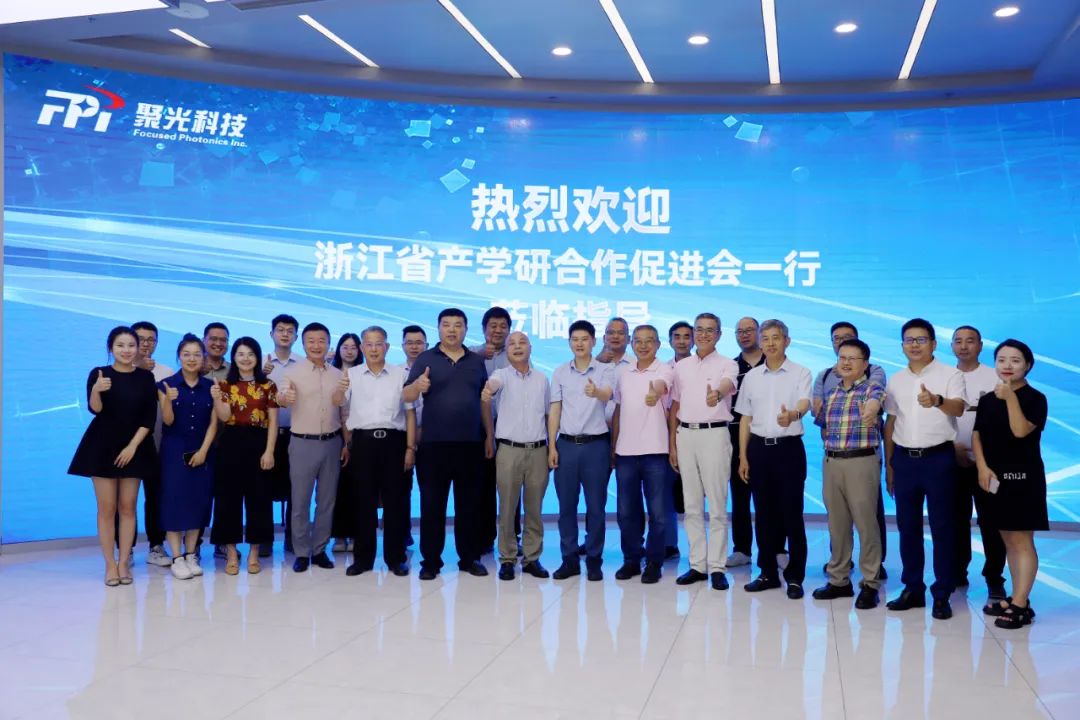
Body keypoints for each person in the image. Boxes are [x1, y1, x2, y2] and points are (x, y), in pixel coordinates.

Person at [883, 318, 965, 620]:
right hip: (904, 460)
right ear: (902, 345)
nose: (914, 345)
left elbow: (958, 408)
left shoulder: (950, 374)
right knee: (908, 527)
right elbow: (891, 423)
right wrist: (890, 465)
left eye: (920, 339)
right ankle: (913, 588)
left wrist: (937, 400)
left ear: (933, 343)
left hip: (939, 459)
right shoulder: (896, 379)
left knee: (943, 527)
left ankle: (942, 592)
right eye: (909, 340)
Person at [404, 309, 492, 580]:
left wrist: (489, 435)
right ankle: (431, 561)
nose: (452, 330)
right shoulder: (425, 359)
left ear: (465, 329)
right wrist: (418, 386)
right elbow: (406, 395)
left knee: (469, 506)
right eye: (447, 325)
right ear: (439, 328)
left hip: (470, 444)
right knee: (432, 506)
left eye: (458, 325)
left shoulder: (476, 361)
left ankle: (469, 558)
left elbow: (483, 400)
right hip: (434, 446)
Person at [68, 326, 158, 586]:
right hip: (102, 446)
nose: (126, 350)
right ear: (111, 348)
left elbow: (148, 418)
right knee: (106, 509)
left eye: (131, 345)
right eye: (120, 345)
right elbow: (95, 409)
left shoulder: (145, 377)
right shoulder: (99, 373)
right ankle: (110, 564)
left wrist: (132, 447)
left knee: (128, 507)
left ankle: (124, 562)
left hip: (135, 447)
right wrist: (96, 390)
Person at [973, 339, 1048, 629]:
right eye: (1001, 360)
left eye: (1015, 360)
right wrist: (982, 467)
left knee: (1021, 540)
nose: (1007, 365)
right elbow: (977, 434)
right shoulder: (988, 399)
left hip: (1023, 478)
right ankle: (1020, 598)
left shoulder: (1035, 398)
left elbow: (1020, 431)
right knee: (1007, 539)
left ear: (1027, 365)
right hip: (994, 478)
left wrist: (1010, 398)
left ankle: (1019, 603)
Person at [737, 319, 813, 599]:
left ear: (787, 341)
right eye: (765, 338)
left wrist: (793, 414)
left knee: (792, 514)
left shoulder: (801, 372)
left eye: (776, 338)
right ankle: (767, 572)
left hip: (788, 449)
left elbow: (804, 403)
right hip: (759, 450)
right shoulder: (752, 377)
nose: (770, 343)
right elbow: (745, 418)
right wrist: (743, 456)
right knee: (763, 515)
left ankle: (795, 577)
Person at [336, 326, 416, 577]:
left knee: (396, 503)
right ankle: (362, 559)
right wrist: (339, 389)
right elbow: (338, 404)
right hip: (363, 443)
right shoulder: (352, 374)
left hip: (394, 442)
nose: (373, 349)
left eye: (378, 344)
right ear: (362, 348)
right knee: (363, 502)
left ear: (387, 347)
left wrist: (410, 448)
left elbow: (410, 414)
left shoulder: (400, 374)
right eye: (368, 344)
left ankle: (396, 558)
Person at [811, 322, 888, 580]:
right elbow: (822, 424)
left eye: (852, 359)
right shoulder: (832, 392)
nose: (845, 363)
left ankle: (870, 581)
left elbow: (877, 400)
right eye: (842, 358)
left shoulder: (872, 388)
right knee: (837, 524)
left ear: (865, 364)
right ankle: (838, 578)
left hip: (861, 462)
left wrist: (871, 410)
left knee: (866, 524)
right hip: (832, 462)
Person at [669, 313, 739, 590]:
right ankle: (697, 565)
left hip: (714, 434)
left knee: (718, 505)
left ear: (719, 334)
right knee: (692, 505)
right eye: (699, 329)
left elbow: (727, 384)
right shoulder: (681, 366)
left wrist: (717, 394)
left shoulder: (728, 363)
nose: (703, 334)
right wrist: (672, 444)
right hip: (685, 435)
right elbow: (675, 404)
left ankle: (717, 567)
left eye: (710, 330)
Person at [548, 320, 616, 581]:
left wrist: (595, 391)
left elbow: (607, 394)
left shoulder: (605, 370)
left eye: (584, 339)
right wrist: (551, 445)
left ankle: (595, 560)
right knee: (566, 506)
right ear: (569, 343)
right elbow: (555, 410)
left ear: (594, 342)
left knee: (596, 507)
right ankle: (569, 560)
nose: (579, 343)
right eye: (575, 339)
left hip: (596, 446)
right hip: (566, 445)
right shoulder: (560, 372)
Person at [481, 331, 551, 581]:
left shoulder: (542, 379)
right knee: (507, 507)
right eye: (512, 343)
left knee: (534, 508)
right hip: (509, 450)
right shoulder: (501, 375)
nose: (517, 347)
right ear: (507, 351)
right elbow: (492, 386)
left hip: (538, 450)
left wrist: (551, 447)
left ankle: (532, 558)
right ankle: (508, 558)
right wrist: (488, 389)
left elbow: (547, 415)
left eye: (522, 343)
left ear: (531, 348)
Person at [278, 322, 347, 573]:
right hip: (302, 443)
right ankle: (301, 552)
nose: (317, 345)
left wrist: (346, 443)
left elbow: (343, 411)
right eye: (311, 341)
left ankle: (319, 550)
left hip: (332, 442)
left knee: (326, 501)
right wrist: (285, 398)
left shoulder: (338, 374)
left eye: (321, 341)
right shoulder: (292, 373)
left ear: (328, 343)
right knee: (300, 501)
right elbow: (281, 397)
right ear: (303, 343)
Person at [209, 337, 279, 575]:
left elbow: (273, 422)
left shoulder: (268, 385)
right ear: (234, 357)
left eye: (250, 354)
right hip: (230, 442)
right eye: (240, 354)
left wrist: (269, 451)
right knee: (227, 500)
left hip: (259, 442)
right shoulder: (224, 385)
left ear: (257, 357)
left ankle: (254, 554)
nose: (245, 358)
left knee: (259, 499)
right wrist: (217, 398)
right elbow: (223, 416)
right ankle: (230, 554)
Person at [612, 325, 674, 584]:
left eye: (649, 341)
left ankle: (654, 562)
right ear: (631, 344)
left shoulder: (665, 369)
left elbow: (660, 386)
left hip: (655, 451)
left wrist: (654, 393)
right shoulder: (622, 372)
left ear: (658, 344)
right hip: (625, 452)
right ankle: (631, 560)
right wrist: (613, 446)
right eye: (638, 341)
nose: (643, 345)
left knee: (657, 513)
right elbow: (618, 409)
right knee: (626, 512)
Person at [951, 325, 1007, 607]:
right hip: (952, 460)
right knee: (955, 520)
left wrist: (981, 454)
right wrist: (953, 447)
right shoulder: (945, 377)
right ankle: (957, 572)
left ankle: (994, 578)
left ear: (980, 345)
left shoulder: (995, 376)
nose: (964, 346)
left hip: (988, 464)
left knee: (992, 522)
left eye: (970, 341)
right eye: (958, 341)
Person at [158, 334, 219, 580]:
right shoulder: (166, 385)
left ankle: (191, 553)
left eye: (196, 354)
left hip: (202, 449)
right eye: (186, 354)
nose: (191, 359)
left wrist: (204, 450)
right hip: (174, 450)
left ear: (203, 357)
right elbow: (167, 421)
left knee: (198, 501)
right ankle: (177, 557)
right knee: (174, 501)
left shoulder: (210, 386)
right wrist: (168, 401)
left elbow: (214, 423)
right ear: (179, 357)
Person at [470, 307, 512, 556]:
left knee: (510, 487)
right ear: (484, 329)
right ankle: (484, 538)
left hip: (509, 427)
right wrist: (477, 355)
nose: (498, 330)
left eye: (503, 326)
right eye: (493, 326)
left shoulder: (516, 354)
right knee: (482, 485)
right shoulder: (471, 354)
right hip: (478, 428)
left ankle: (512, 537)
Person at [132, 320, 174, 568]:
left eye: (151, 339)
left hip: (156, 445)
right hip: (124, 446)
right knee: (124, 501)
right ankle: (124, 548)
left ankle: (156, 545)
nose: (146, 344)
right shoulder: (118, 370)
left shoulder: (166, 372)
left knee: (155, 497)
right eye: (141, 339)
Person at [728, 316, 764, 568]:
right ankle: (742, 549)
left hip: (767, 438)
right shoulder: (731, 367)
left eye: (749, 330)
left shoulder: (772, 363)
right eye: (740, 331)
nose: (744, 335)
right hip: (735, 439)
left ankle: (775, 548)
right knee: (739, 497)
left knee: (769, 497)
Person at [264, 313, 301, 556]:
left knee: (296, 487)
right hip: (267, 435)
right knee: (264, 487)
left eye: (290, 330)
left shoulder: (304, 364)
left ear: (296, 336)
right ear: (272, 334)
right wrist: (260, 375)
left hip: (296, 434)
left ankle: (292, 537)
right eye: (280, 329)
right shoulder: (261, 363)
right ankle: (264, 539)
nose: (285, 334)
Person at [661, 320, 693, 560]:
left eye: (686, 336)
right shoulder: (663, 370)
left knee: (694, 497)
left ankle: (699, 552)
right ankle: (669, 544)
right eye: (677, 336)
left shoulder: (701, 367)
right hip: (665, 437)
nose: (681, 341)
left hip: (695, 434)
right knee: (665, 495)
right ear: (670, 340)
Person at [330, 332, 363, 554]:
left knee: (358, 488)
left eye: (354, 347)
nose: (349, 351)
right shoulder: (331, 373)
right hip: (334, 436)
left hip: (359, 436)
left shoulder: (363, 373)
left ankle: (356, 534)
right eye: (345, 346)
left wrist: (350, 441)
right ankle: (339, 536)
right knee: (337, 488)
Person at [400, 325, 429, 548]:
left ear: (426, 345)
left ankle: (429, 538)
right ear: (402, 346)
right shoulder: (396, 372)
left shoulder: (434, 369)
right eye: (409, 343)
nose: (414, 347)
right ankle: (402, 533)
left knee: (429, 490)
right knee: (402, 489)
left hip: (430, 438)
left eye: (418, 343)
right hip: (403, 438)